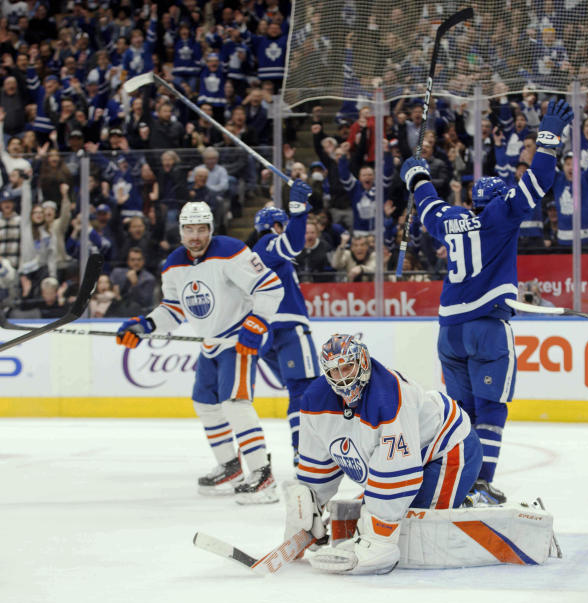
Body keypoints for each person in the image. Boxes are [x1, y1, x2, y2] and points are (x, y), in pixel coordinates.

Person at [398, 98, 574, 505]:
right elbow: (539, 180)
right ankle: (480, 485)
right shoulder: (502, 213)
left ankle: (457, 482)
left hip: (448, 333)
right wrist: (547, 139)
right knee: (491, 409)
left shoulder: (449, 218)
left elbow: (425, 203)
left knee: (461, 411)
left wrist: (416, 174)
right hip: (486, 329)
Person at [115, 202, 284, 504]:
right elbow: (174, 309)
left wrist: (256, 323)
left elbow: (270, 286)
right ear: (181, 231)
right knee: (205, 403)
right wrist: (145, 325)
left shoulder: (231, 250)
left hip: (238, 339)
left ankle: (262, 473)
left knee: (235, 403)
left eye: (201, 229)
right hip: (210, 343)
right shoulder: (173, 264)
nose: (196, 236)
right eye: (190, 230)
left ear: (210, 229)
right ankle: (230, 466)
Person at [286, 334, 482, 575]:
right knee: (374, 519)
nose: (343, 378)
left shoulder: (389, 395)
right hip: (412, 455)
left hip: (448, 448)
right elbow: (317, 468)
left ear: (363, 362)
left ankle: (470, 499)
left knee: (414, 527)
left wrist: (378, 539)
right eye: (334, 372)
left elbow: (397, 473)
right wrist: (307, 513)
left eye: (348, 367)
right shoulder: (314, 401)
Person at [251, 180, 321, 467]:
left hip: (269, 331)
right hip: (287, 328)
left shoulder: (254, 253)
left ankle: (302, 446)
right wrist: (298, 211)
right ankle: (302, 449)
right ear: (277, 226)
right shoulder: (267, 245)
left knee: (300, 389)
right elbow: (293, 243)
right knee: (304, 388)